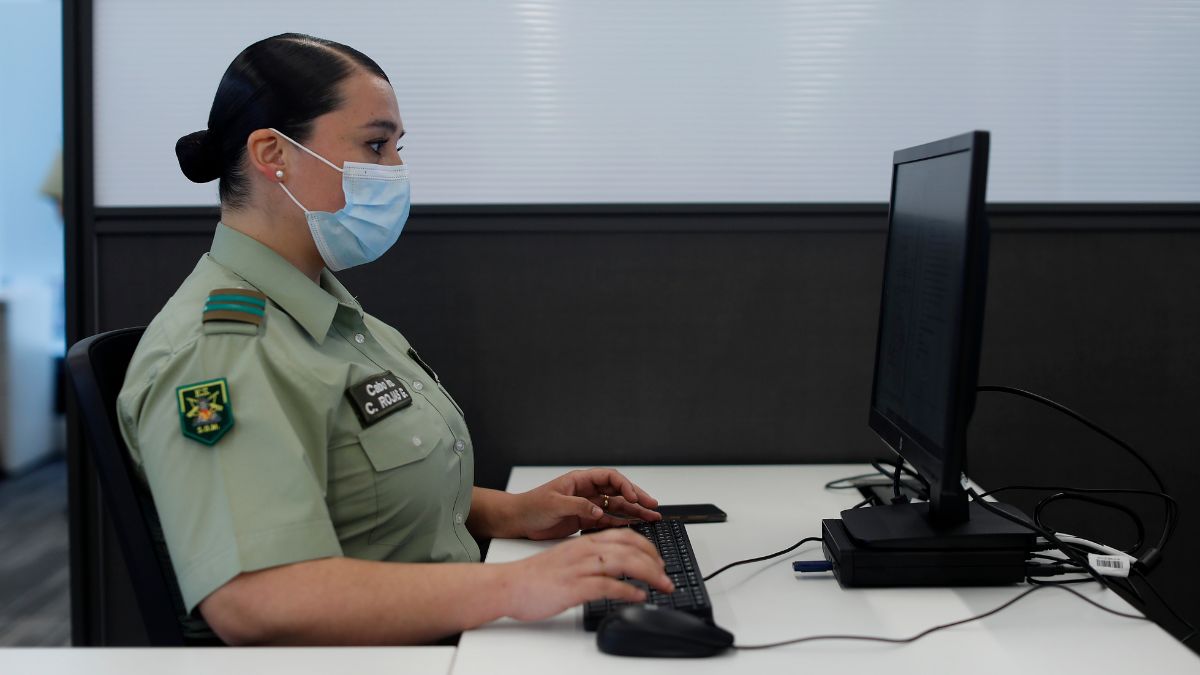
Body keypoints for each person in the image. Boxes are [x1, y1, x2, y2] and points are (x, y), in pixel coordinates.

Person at [116, 33, 673, 646]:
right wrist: (517, 587)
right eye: (375, 146)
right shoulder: (221, 351)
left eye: (395, 149)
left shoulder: (335, 318)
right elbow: (254, 600)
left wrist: (512, 512)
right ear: (273, 153)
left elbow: (359, 498)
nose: (395, 172)